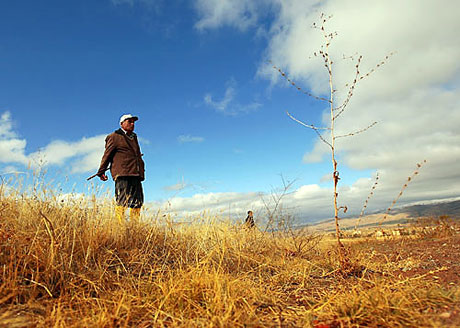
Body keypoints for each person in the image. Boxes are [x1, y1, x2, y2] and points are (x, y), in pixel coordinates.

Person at [97, 114, 145, 223]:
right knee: (122, 200)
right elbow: (107, 155)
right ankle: (120, 226)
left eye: (133, 122)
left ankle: (134, 227)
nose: (132, 124)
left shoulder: (134, 137)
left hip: (136, 173)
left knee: (137, 201)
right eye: (129, 122)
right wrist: (101, 171)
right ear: (122, 124)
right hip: (122, 172)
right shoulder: (114, 136)